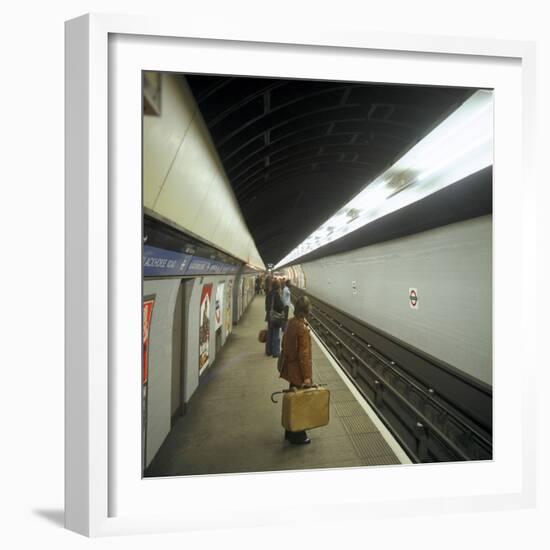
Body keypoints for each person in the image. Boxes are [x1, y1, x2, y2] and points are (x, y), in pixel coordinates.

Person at [279, 295, 313, 445]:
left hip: (290, 366)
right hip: (298, 370)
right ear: (306, 311)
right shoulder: (302, 328)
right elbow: (304, 355)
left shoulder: (290, 323)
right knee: (299, 402)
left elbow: (284, 343)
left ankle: (289, 432)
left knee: (293, 400)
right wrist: (307, 377)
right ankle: (298, 436)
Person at [265, 278, 284, 358]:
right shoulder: (276, 294)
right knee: (276, 335)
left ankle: (268, 351)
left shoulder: (269, 293)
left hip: (269, 317)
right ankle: (276, 352)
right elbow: (280, 306)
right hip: (275, 317)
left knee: (270, 334)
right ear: (278, 286)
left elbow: (266, 305)